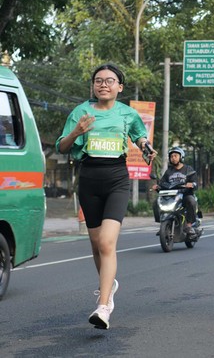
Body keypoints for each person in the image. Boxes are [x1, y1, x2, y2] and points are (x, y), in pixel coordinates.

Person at [56, 63, 156, 330]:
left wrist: (146, 147)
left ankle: (103, 306)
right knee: (95, 243)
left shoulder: (128, 113)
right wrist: (76, 132)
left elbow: (140, 136)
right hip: (89, 178)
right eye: (98, 80)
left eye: (109, 80)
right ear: (93, 86)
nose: (103, 84)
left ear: (119, 87)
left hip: (116, 179)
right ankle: (108, 285)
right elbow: (62, 146)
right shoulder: (81, 112)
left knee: (106, 242)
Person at [152, 146, 197, 234]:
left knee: (191, 201)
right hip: (171, 196)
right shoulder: (169, 171)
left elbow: (195, 182)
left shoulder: (188, 169)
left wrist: (192, 184)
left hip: (184, 195)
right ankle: (162, 224)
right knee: (156, 202)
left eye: (175, 156)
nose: (173, 158)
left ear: (181, 157)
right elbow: (162, 183)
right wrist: (157, 187)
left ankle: (189, 226)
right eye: (171, 156)